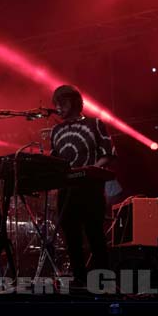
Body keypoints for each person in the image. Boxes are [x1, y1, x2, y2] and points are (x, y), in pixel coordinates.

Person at [50, 85, 116, 284]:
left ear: (73, 102)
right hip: (66, 191)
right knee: (72, 240)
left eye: (61, 103)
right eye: (56, 104)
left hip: (90, 190)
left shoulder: (94, 124)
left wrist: (91, 171)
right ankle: (80, 283)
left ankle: (104, 283)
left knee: (95, 235)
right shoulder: (56, 130)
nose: (58, 108)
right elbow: (55, 161)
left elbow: (108, 153)